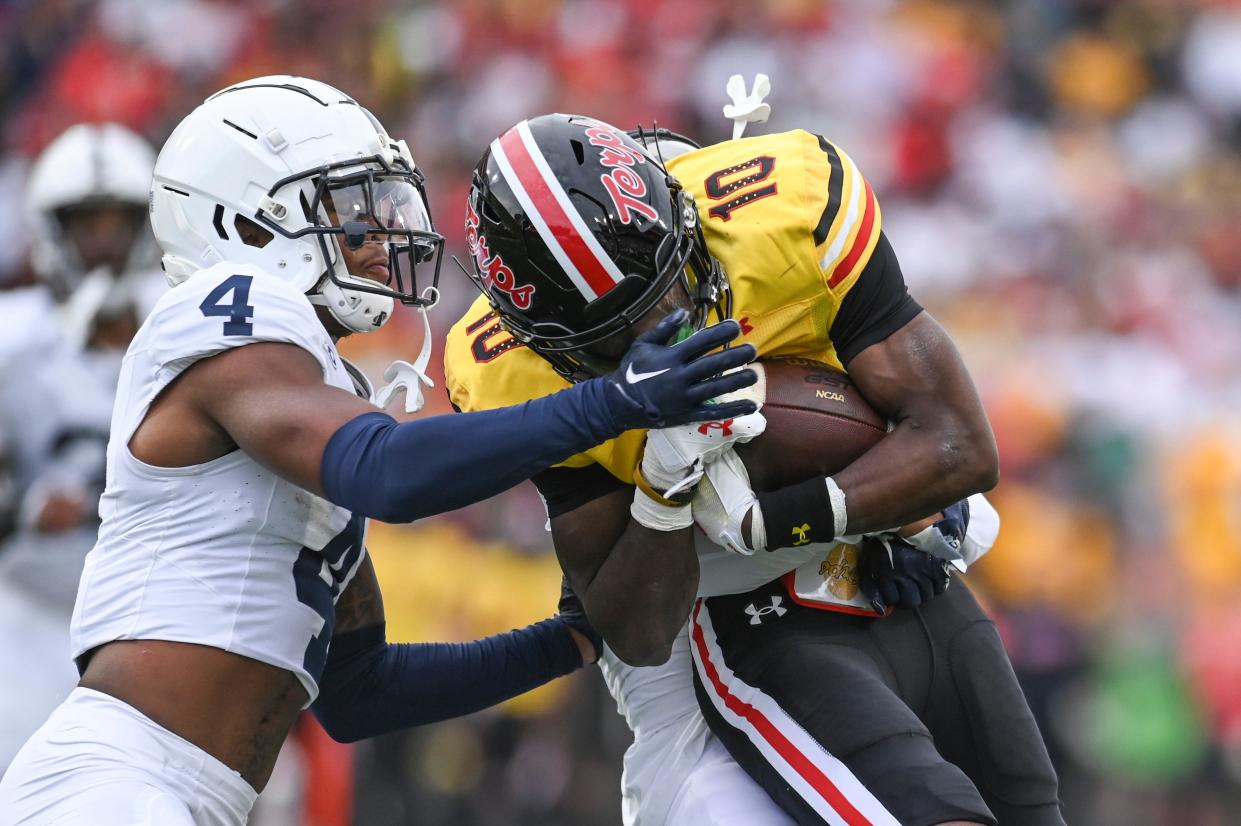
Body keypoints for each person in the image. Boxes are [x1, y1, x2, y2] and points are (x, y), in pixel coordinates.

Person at [0, 76, 758, 826]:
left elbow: (359, 691)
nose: (379, 239)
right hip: (116, 776)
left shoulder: (313, 393)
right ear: (248, 223)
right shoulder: (221, 313)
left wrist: (570, 638)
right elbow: (387, 472)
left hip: (191, 793)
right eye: (353, 214)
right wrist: (614, 401)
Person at [444, 113, 1064, 825]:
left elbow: (957, 444)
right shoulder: (508, 376)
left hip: (898, 589)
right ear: (543, 344)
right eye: (608, 341)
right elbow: (635, 631)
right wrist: (663, 489)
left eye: (666, 295)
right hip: (743, 626)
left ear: (688, 223)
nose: (659, 339)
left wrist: (801, 512)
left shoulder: (782, 216)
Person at [0, 122, 163, 771]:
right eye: (84, 224)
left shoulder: (187, 322)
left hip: (158, 619)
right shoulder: (14, 340)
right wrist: (19, 512)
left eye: (116, 223)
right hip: (34, 614)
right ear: (50, 230)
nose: (101, 244)